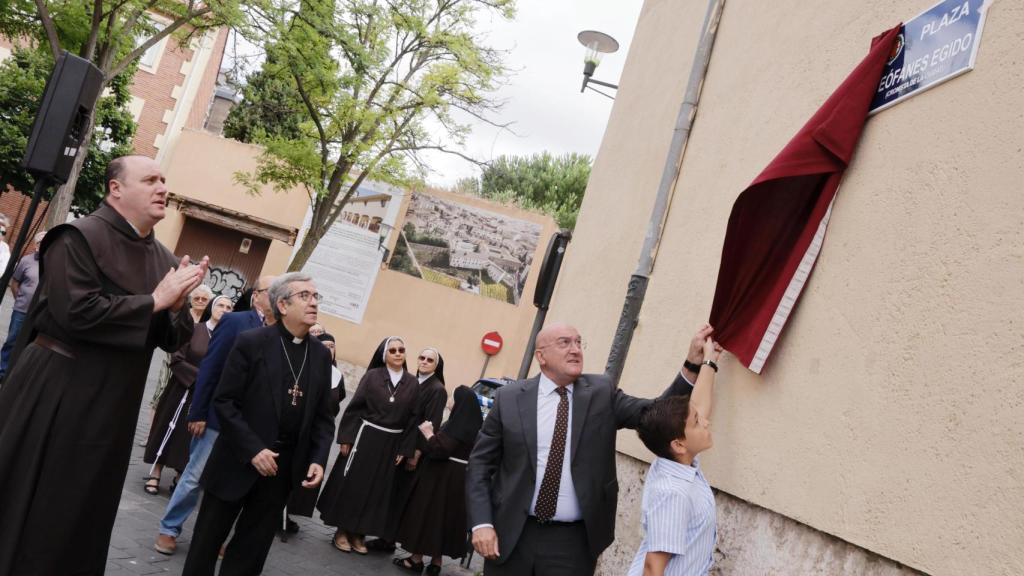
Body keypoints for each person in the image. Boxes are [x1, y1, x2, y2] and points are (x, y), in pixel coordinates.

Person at [0, 155, 208, 575]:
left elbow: (172, 339)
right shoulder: (77, 237)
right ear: (116, 189)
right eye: (150, 180)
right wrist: (155, 301)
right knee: (37, 499)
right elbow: (75, 312)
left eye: (164, 180)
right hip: (58, 390)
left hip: (114, 403)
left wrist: (177, 307)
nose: (162, 188)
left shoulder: (166, 259)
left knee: (83, 506)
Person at [466, 322, 715, 576]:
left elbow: (655, 414)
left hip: (573, 544)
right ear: (541, 356)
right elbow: (480, 464)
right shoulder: (509, 398)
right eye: (564, 343)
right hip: (512, 534)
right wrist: (481, 522)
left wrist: (692, 365)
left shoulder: (601, 393)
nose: (575, 349)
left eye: (578, 342)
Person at [181, 272, 335, 575]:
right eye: (305, 296)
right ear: (282, 305)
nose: (314, 302)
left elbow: (323, 416)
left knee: (251, 553)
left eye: (316, 296)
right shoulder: (251, 342)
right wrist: (253, 449)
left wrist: (317, 458)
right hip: (236, 460)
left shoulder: (319, 355)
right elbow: (225, 402)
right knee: (206, 544)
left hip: (280, 470)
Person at [154, 276, 275, 555]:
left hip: (249, 426)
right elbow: (211, 366)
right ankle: (169, 529)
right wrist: (198, 411)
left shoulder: (280, 331)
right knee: (194, 476)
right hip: (217, 417)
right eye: (272, 291)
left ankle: (213, 536)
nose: (278, 296)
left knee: (228, 484)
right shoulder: (235, 322)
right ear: (256, 296)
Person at [628, 336, 721, 576]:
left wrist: (709, 361)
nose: (705, 422)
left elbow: (698, 406)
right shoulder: (673, 492)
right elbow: (653, 568)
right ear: (679, 444)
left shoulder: (676, 461)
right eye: (697, 423)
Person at [317, 336, 420, 555]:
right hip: (364, 439)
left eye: (401, 349)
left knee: (377, 491)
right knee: (354, 485)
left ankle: (359, 534)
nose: (398, 353)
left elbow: (413, 419)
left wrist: (405, 449)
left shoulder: (412, 383)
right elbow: (355, 407)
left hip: (391, 443)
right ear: (384, 355)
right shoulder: (373, 376)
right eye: (393, 350)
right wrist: (347, 437)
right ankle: (342, 531)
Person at [143, 294, 233, 495]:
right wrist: (202, 378)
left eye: (229, 307)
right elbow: (176, 358)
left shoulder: (229, 339)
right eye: (221, 305)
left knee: (187, 436)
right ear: (211, 308)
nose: (225, 310)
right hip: (181, 389)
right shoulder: (194, 329)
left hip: (204, 396)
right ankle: (155, 472)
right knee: (167, 428)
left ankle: (179, 474)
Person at [394, 385, 483, 574]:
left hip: (440, 478)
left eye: (453, 398)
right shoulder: (474, 427)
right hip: (458, 480)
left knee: (428, 516)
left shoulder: (457, 425)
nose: (450, 401)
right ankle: (436, 562)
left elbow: (441, 449)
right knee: (444, 519)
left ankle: (416, 559)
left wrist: (428, 434)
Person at [369, 346, 449, 552]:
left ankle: (387, 539)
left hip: (413, 449)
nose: (424, 362)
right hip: (398, 443)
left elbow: (431, 423)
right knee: (387, 490)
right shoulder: (411, 381)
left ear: (436, 366)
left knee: (398, 494)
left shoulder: (437, 389)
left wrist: (417, 452)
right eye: (422, 357)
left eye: (429, 360)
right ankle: (381, 533)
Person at [282, 331, 345, 534]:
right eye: (324, 345)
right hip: (299, 429)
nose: (329, 349)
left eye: (332, 346)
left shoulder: (337, 375)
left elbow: (338, 399)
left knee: (304, 474)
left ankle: (289, 513)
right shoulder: (307, 367)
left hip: (317, 433)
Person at [143, 284, 213, 449]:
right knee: (160, 395)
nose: (200, 301)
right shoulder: (184, 314)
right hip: (172, 359)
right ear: (191, 300)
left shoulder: (208, 320)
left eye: (204, 299)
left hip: (190, 365)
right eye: (197, 298)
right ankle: (152, 435)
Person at [0, 230, 46, 379]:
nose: (43, 245)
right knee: (12, 340)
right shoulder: (26, 260)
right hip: (21, 310)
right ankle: (2, 371)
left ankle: (16, 374)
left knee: (29, 344)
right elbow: (15, 283)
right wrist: (20, 298)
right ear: (36, 245)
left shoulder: (51, 264)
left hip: (39, 313)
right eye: (41, 242)